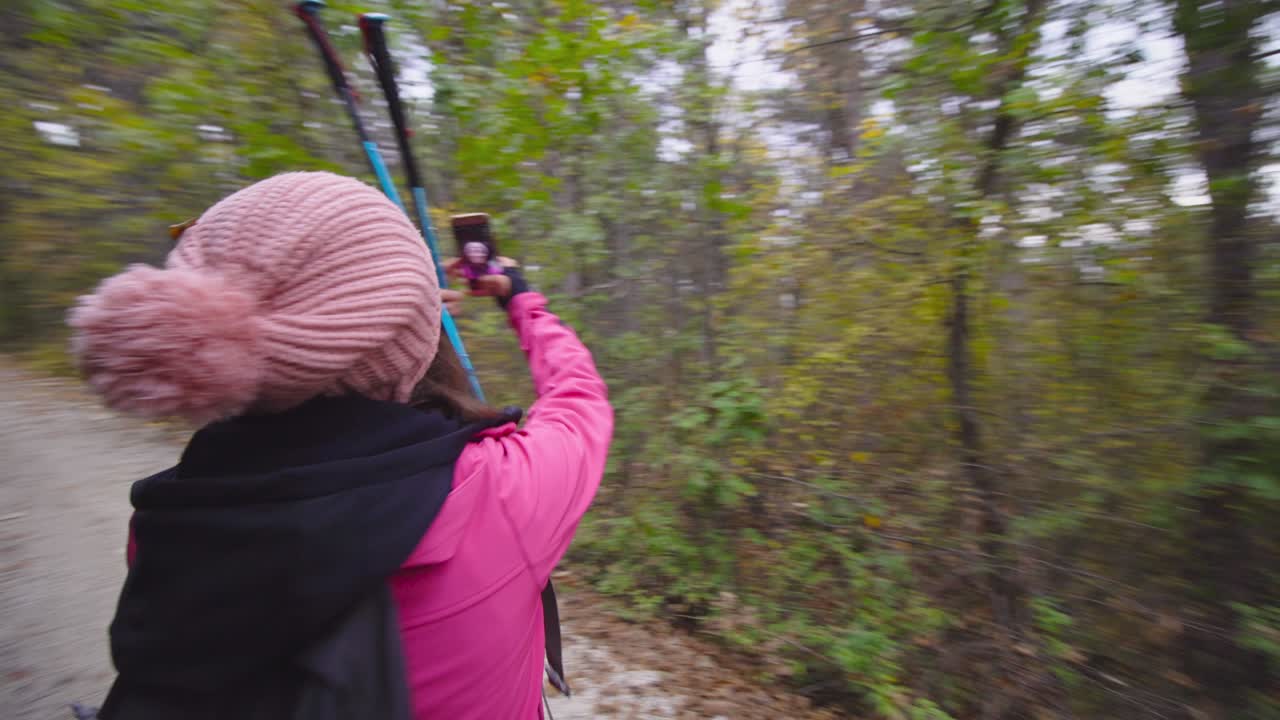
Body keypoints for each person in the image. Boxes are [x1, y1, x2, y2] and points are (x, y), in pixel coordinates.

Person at [66, 171, 613, 719]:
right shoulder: (501, 495)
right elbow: (581, 401)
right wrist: (520, 300)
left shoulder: (169, 521)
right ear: (411, 343)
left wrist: (400, 314)